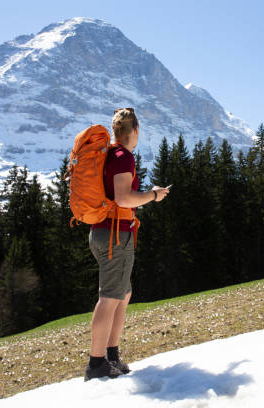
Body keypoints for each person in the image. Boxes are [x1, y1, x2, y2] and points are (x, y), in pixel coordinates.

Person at [85, 108, 169, 381]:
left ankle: (111, 355)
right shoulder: (123, 157)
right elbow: (123, 198)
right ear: (133, 132)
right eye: (138, 131)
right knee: (110, 297)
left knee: (123, 294)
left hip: (102, 233)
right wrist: (153, 195)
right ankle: (96, 365)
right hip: (114, 236)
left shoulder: (109, 155)